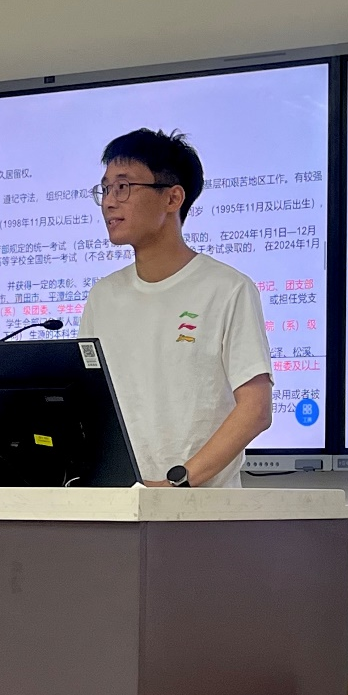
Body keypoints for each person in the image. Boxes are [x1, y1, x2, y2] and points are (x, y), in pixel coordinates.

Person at [78, 128, 273, 488]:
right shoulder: (102, 297)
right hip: (118, 504)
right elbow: (86, 404)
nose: (109, 202)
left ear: (172, 198)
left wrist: (177, 484)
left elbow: (256, 409)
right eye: (105, 189)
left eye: (123, 187)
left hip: (201, 507)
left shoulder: (227, 289)